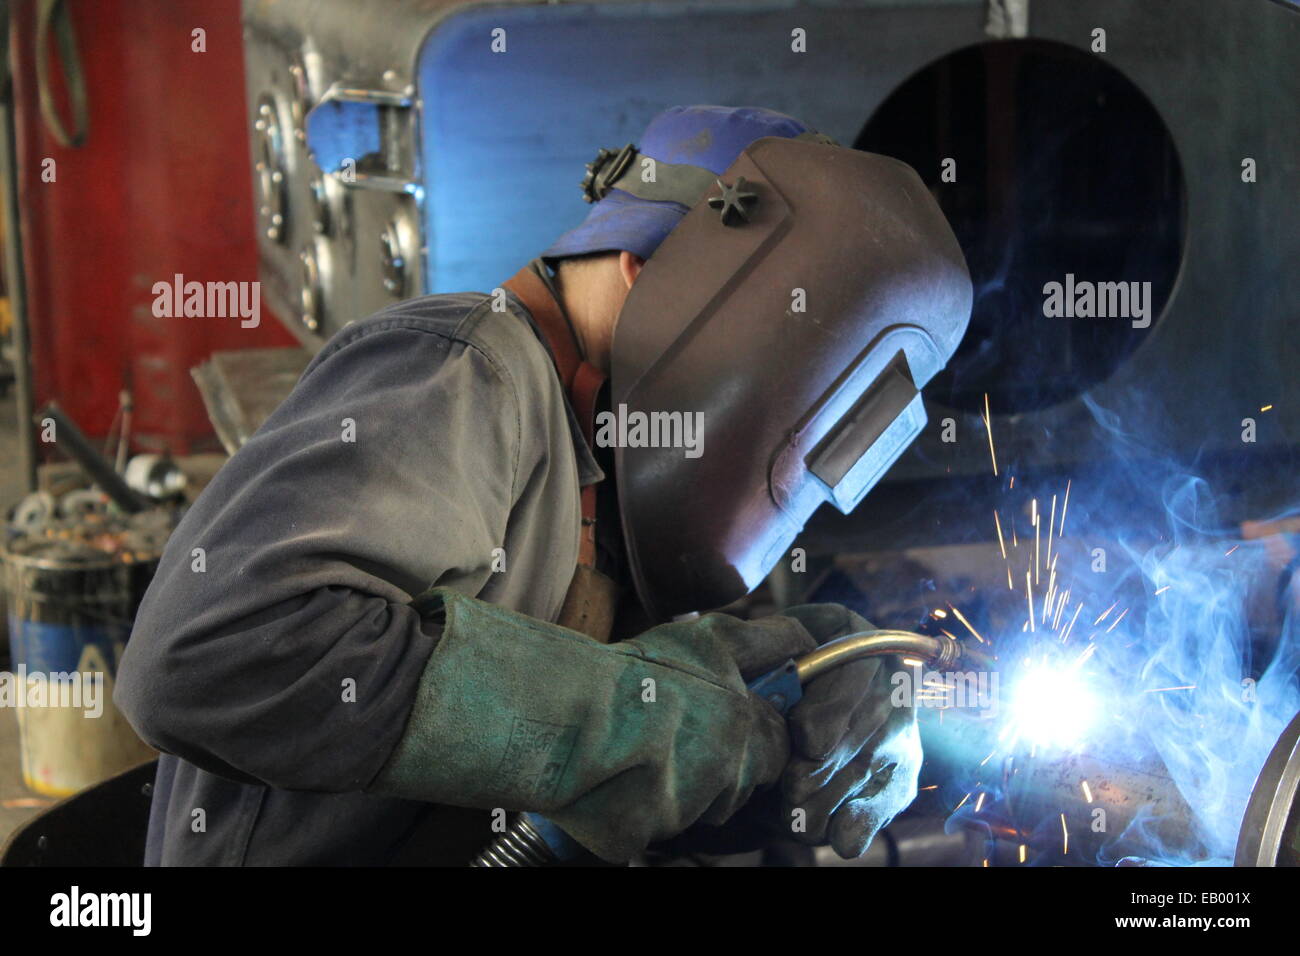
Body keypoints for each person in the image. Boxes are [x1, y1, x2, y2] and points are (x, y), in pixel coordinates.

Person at [115, 105, 971, 865]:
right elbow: (202, 657)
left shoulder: (606, 455)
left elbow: (653, 713)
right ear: (658, 272)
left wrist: (825, 680)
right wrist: (625, 724)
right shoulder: (468, 368)